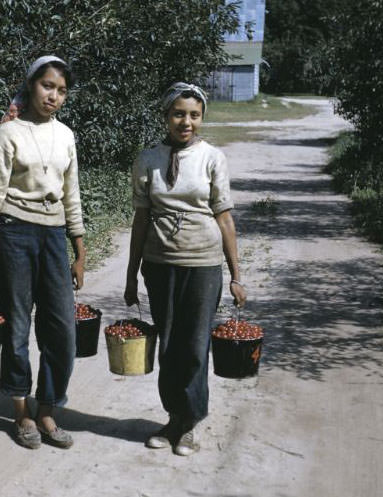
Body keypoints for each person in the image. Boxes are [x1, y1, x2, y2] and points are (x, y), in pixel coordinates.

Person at [123, 82, 247, 456]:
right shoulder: (148, 159)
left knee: (194, 346)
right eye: (179, 113)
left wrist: (237, 275)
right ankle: (174, 417)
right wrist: (131, 274)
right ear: (166, 116)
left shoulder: (212, 158)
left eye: (194, 115)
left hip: (203, 264)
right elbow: (141, 220)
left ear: (202, 117)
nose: (186, 122)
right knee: (167, 345)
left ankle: (189, 423)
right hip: (159, 265)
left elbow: (224, 217)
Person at [0, 55, 86, 450]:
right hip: (14, 234)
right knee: (18, 327)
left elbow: (72, 195)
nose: (54, 96)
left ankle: (48, 410)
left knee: (61, 329)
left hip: (54, 237)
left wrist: (79, 248)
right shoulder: (8, 134)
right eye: (47, 86)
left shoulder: (66, 135)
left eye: (62, 90)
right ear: (31, 85)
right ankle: (21, 414)